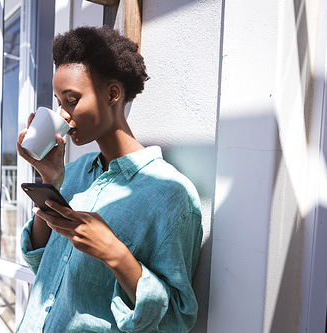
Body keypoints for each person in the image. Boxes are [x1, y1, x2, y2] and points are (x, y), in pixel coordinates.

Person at [16, 26, 203, 333]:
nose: (62, 114)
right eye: (59, 102)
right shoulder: (73, 174)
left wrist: (114, 253)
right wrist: (49, 182)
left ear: (112, 94)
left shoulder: (172, 196)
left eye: (72, 100)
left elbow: (176, 320)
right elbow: (43, 265)